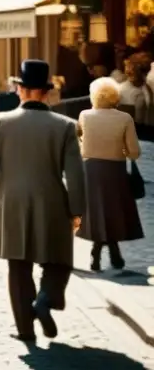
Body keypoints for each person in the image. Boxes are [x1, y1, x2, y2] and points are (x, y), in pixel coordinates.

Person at [0, 60, 86, 342]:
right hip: (52, 201)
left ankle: (25, 329)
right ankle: (45, 300)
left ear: (21, 90)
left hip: (12, 202)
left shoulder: (2, 121)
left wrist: (5, 183)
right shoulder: (65, 126)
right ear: (47, 92)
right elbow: (76, 175)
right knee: (58, 261)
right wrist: (77, 211)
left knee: (18, 264)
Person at [76, 77, 144, 272]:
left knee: (98, 213)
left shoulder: (85, 116)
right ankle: (113, 255)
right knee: (113, 213)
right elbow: (134, 152)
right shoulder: (124, 118)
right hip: (115, 171)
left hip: (91, 170)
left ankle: (98, 253)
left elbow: (80, 144)